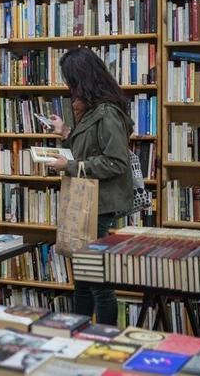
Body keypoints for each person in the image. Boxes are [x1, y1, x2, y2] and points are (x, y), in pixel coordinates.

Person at [44, 47, 134, 326]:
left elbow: (116, 162)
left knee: (96, 281)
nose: (69, 87)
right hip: (87, 201)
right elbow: (88, 149)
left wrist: (68, 166)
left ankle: (104, 336)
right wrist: (66, 133)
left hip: (99, 203)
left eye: (71, 80)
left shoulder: (107, 113)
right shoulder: (93, 110)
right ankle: (78, 332)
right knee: (83, 278)